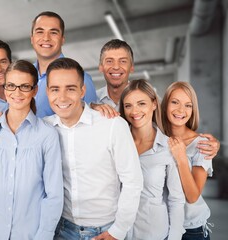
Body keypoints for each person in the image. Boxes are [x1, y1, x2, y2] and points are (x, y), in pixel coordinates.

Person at [43, 57, 143, 240]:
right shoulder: (44, 128)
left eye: (70, 89)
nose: (62, 97)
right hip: (61, 229)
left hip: (105, 231)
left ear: (82, 91)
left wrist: (118, 231)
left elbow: (132, 182)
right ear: (47, 92)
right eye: (55, 89)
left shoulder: (112, 125)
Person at [0, 60, 63, 240]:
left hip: (31, 234)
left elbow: (54, 195)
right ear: (5, 89)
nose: (17, 93)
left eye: (25, 86)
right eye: (11, 86)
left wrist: (44, 235)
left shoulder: (47, 134)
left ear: (35, 90)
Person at [94, 39, 220, 159]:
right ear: (100, 67)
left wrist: (203, 143)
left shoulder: (153, 101)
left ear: (131, 67)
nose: (116, 67)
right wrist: (91, 106)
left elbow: (176, 126)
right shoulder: (92, 102)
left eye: (122, 61)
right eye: (109, 61)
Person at [119, 79, 185, 240]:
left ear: (154, 104)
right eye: (128, 105)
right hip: (117, 233)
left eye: (141, 103)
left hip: (153, 233)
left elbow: (176, 199)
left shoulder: (169, 148)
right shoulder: (116, 143)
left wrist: (175, 237)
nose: (134, 111)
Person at [162, 82, 214, 240]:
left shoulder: (202, 144)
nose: (180, 110)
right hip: (160, 225)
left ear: (193, 110)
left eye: (188, 105)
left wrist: (181, 157)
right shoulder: (155, 136)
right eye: (175, 102)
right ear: (165, 104)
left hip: (191, 229)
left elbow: (192, 196)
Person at [31, 11, 97, 118]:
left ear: (62, 39)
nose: (46, 38)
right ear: (32, 39)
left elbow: (91, 121)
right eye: (40, 32)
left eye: (53, 32)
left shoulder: (82, 79)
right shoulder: (25, 75)